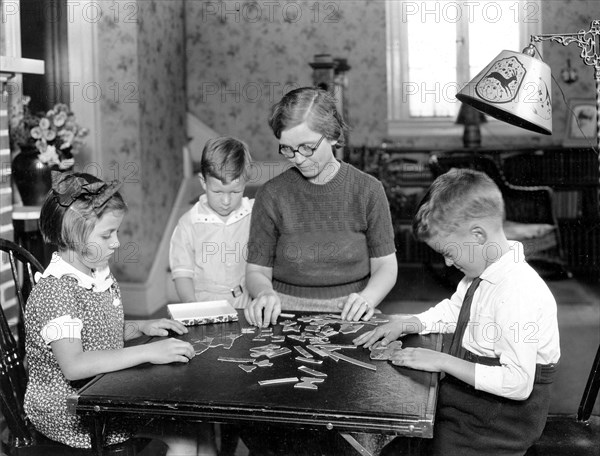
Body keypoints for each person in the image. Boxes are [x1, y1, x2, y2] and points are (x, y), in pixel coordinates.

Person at [354, 168, 561, 456]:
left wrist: (441, 360)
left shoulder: (516, 293)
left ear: (477, 235)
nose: (448, 264)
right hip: (470, 401)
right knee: (400, 440)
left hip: (498, 425)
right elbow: (455, 310)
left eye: (449, 253)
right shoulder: (479, 274)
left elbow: (518, 384)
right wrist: (409, 324)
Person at [24, 172, 212, 455]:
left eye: (117, 232)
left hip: (101, 393)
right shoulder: (57, 290)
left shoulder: (95, 272)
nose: (117, 242)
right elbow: (74, 364)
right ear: (74, 234)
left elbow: (95, 332)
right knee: (184, 436)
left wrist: (142, 327)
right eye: (107, 234)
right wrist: (148, 352)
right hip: (70, 409)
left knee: (199, 427)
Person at [244, 87, 398, 328]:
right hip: (284, 312)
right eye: (287, 148)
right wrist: (264, 293)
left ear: (333, 135)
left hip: (353, 311)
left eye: (307, 147)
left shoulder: (369, 190)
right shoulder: (271, 194)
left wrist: (367, 299)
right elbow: (256, 271)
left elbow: (386, 266)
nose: (297, 158)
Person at [170, 136, 254, 309]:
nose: (225, 201)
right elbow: (182, 273)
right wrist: (190, 305)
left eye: (235, 192)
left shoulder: (253, 213)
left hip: (245, 302)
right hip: (205, 304)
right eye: (217, 192)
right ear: (203, 182)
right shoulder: (189, 223)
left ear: (245, 184)